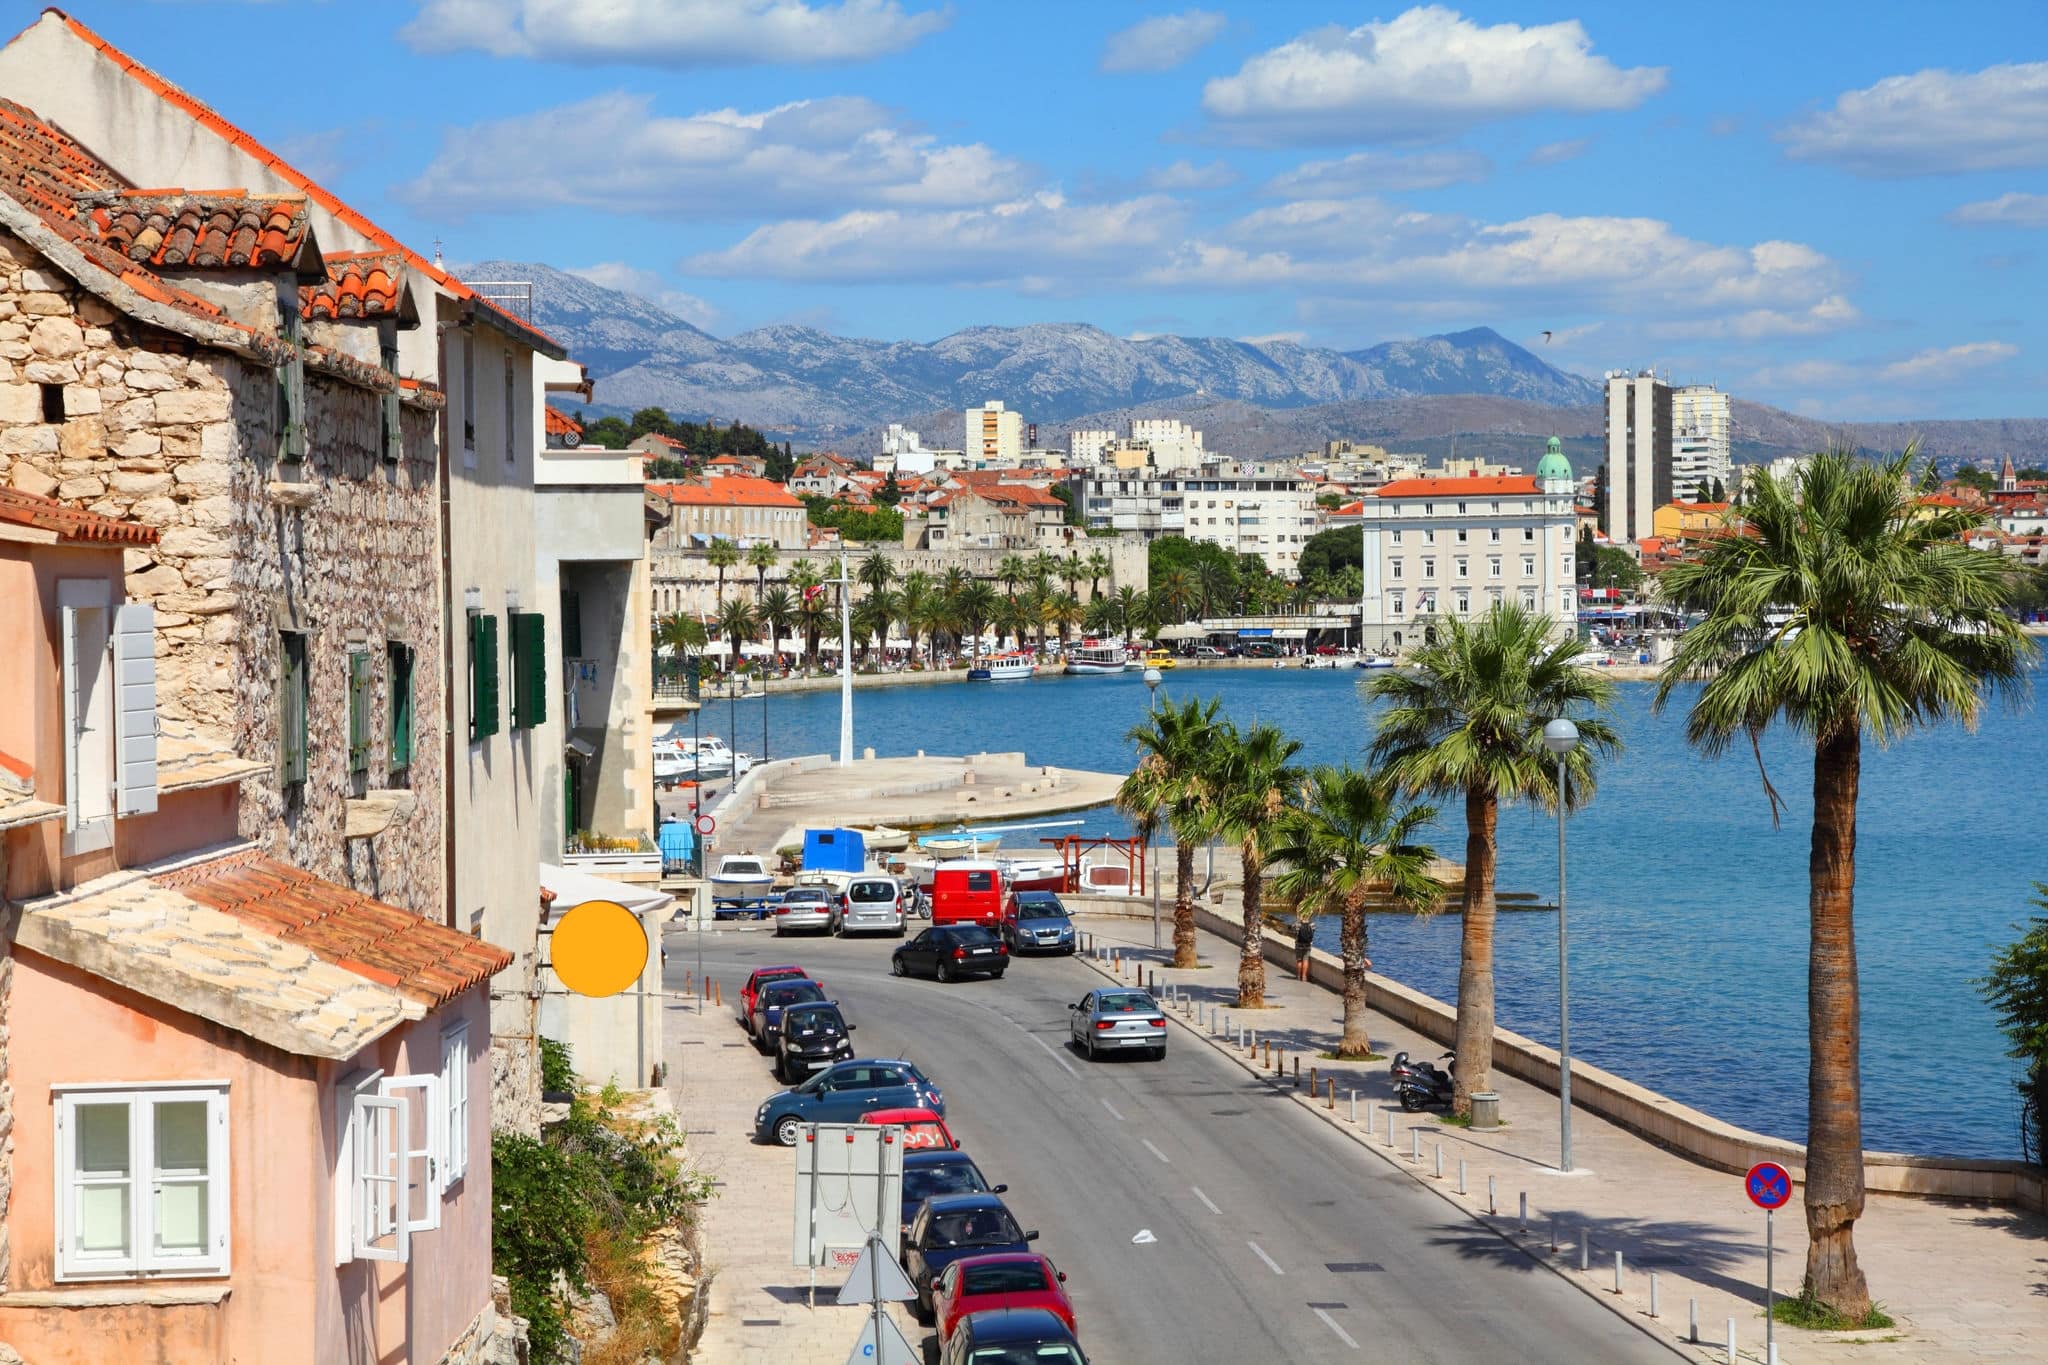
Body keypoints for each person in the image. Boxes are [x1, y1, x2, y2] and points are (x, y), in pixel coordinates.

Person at [1294, 916, 1317, 981]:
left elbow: (1293, 931)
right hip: (1308, 945)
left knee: (1299, 960)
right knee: (1306, 960)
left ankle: (1298, 976)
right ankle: (1304, 977)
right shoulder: (1312, 924)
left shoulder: (1297, 924)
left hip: (1299, 945)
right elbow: (1313, 932)